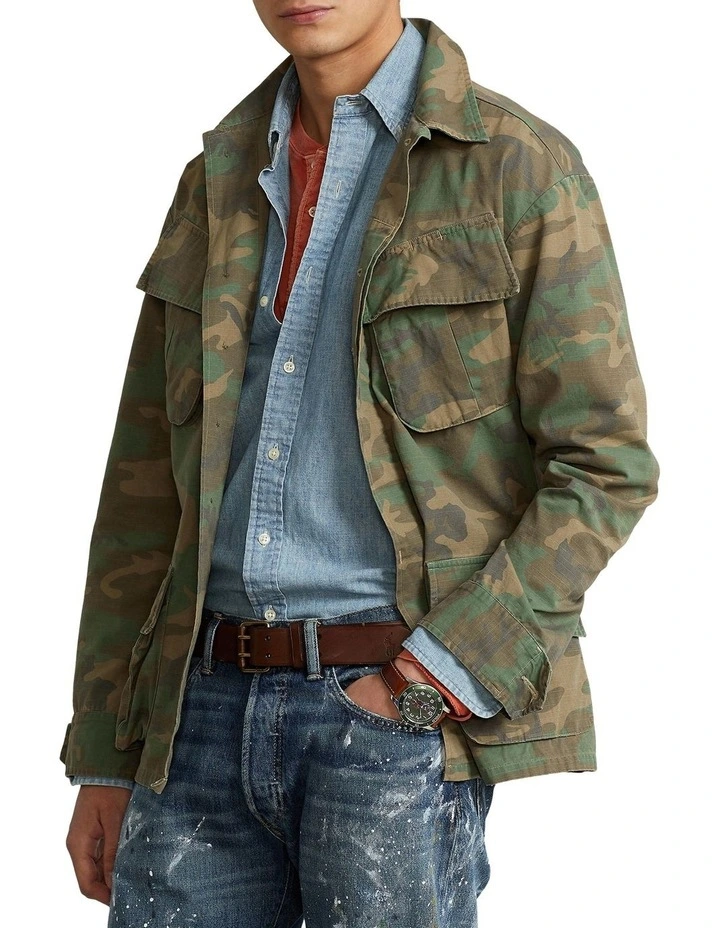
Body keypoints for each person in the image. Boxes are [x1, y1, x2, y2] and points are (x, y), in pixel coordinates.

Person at [62, 2, 660, 926]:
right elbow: (142, 489)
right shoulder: (216, 178)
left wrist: (430, 681)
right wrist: (106, 751)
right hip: (194, 715)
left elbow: (604, 465)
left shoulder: (514, 167)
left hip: (391, 717)